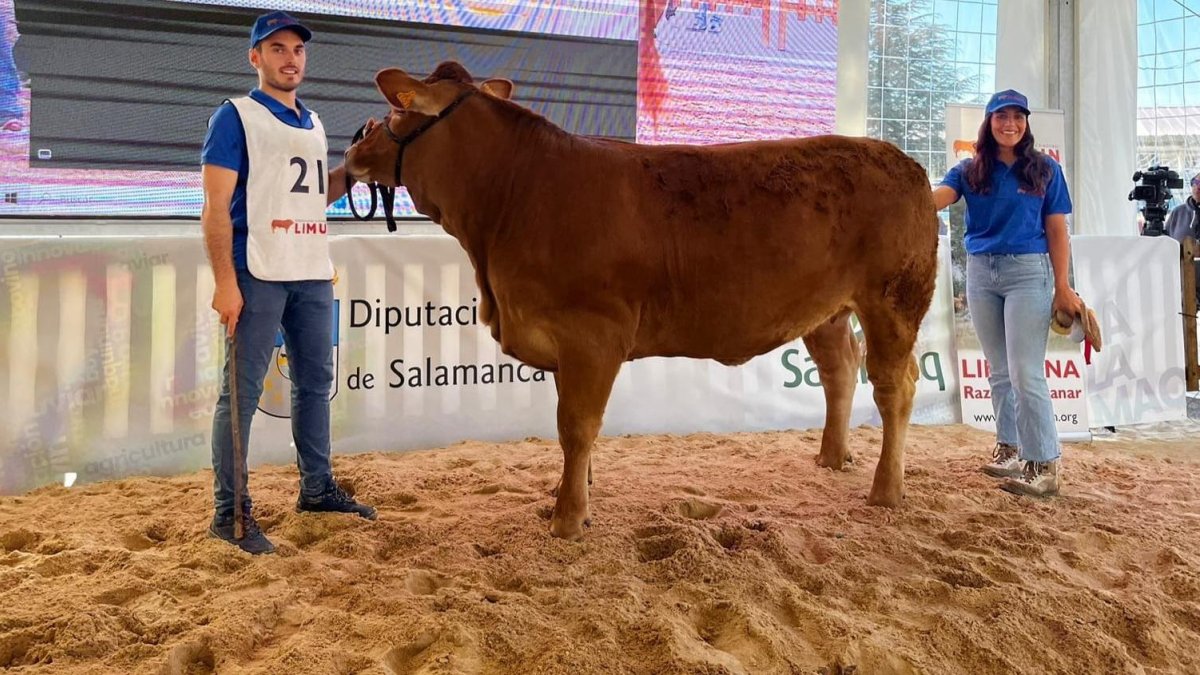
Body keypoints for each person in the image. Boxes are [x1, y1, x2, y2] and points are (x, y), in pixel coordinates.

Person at [200, 10, 375, 555]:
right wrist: (226, 283)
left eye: (297, 49)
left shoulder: (314, 122)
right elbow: (214, 209)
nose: (289, 58)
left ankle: (317, 489)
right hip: (258, 271)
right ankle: (229, 513)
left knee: (315, 385)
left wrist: (357, 169)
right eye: (276, 49)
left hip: (311, 271)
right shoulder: (235, 116)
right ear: (255, 57)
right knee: (242, 395)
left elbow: (310, 195)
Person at [933, 89, 1085, 498]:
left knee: (1025, 371)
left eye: (1018, 117)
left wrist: (1063, 285)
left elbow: (1057, 229)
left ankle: (1044, 462)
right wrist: (898, 196)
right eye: (1002, 116)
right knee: (998, 368)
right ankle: (1010, 447)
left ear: (1026, 124)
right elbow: (936, 200)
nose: (1010, 124)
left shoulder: (1045, 169)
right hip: (982, 273)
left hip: (1028, 272)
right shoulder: (968, 170)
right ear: (989, 123)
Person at [1164, 174, 1200, 305]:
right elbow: (1166, 244)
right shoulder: (1177, 213)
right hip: (1183, 282)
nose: (1198, 187)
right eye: (1195, 182)